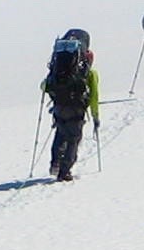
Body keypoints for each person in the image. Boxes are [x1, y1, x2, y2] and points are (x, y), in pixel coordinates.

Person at [41, 29, 100, 181]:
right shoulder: (89, 72)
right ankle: (64, 171)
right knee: (73, 138)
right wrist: (95, 116)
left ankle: (55, 162)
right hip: (77, 109)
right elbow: (94, 96)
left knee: (60, 134)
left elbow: (44, 86)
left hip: (59, 107)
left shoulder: (57, 69)